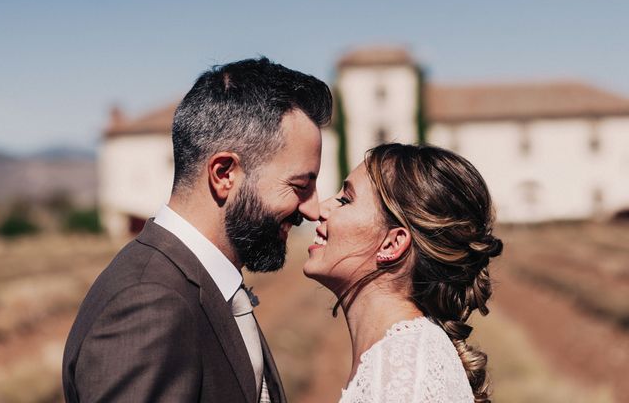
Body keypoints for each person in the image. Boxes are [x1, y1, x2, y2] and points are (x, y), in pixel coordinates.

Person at [63, 58, 332, 403]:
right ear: (224, 174)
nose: (312, 209)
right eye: (299, 185)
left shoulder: (199, 284)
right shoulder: (150, 304)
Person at [304, 143, 503, 403]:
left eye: (345, 200)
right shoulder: (399, 359)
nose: (320, 209)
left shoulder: (408, 375)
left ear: (392, 244)